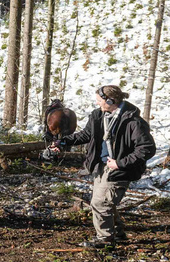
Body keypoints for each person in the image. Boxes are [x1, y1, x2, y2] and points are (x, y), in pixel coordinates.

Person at [50, 85, 155, 248]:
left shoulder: (133, 121)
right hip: (100, 167)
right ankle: (118, 233)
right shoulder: (98, 115)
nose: (98, 104)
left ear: (111, 101)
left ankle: (105, 238)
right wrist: (62, 142)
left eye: (100, 101)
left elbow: (147, 148)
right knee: (104, 201)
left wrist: (120, 163)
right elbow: (85, 135)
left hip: (118, 169)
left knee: (101, 203)